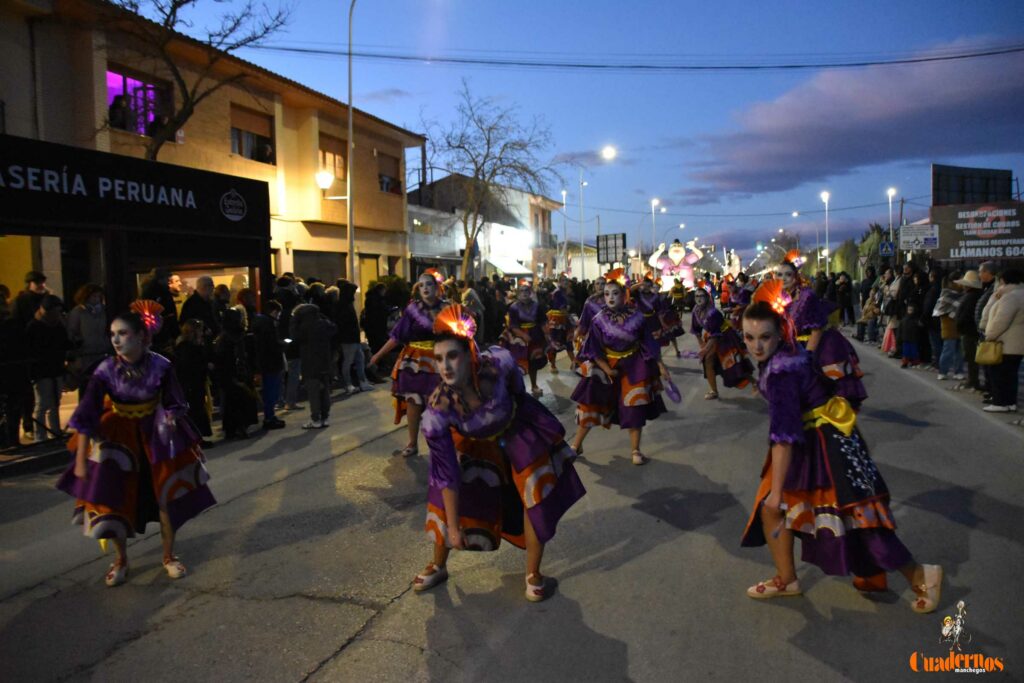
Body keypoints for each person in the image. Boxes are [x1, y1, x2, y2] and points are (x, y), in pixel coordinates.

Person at [738, 282, 942, 612]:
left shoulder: (780, 372)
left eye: (764, 337)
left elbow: (784, 436)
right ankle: (788, 578)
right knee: (805, 512)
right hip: (826, 439)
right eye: (749, 337)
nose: (756, 346)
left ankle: (921, 575)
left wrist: (776, 491)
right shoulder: (786, 355)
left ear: (780, 333)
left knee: (854, 519)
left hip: (823, 447)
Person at [412, 305, 586, 602]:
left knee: (535, 494)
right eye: (438, 359)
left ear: (470, 354)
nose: (445, 366)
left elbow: (519, 393)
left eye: (452, 356)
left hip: (516, 429)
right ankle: (439, 564)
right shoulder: (437, 410)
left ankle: (532, 573)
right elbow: (446, 474)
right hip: (472, 442)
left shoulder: (500, 362)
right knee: (442, 500)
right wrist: (453, 528)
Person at [56, 303, 214, 587]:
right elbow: (86, 414)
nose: (116, 340)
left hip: (155, 433)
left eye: (123, 333)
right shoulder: (105, 370)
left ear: (141, 336)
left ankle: (168, 556)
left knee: (166, 496)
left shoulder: (162, 365)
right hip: (117, 435)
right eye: (112, 334)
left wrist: (170, 417)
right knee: (113, 499)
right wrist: (80, 461)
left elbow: (176, 401)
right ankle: (120, 560)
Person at [570, 271, 668, 466]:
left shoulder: (637, 316)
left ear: (624, 295)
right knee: (590, 405)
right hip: (605, 365)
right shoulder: (598, 319)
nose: (610, 297)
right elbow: (593, 348)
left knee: (635, 403)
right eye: (607, 294)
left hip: (634, 364)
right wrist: (606, 369)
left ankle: (635, 450)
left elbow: (648, 342)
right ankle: (576, 445)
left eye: (615, 293)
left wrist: (660, 364)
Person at [369, 272, 447, 456]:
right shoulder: (412, 310)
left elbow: (462, 334)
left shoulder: (447, 308)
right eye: (421, 285)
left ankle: (440, 444)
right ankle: (412, 443)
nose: (425, 288)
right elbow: (397, 336)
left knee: (438, 404)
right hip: (414, 363)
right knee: (414, 402)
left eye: (429, 284)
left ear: (437, 287)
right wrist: (377, 356)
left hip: (440, 361)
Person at [776, 253, 867, 409]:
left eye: (788, 274)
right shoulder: (782, 297)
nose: (783, 278)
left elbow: (816, 330)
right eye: (779, 275)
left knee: (828, 393)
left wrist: (807, 357)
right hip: (795, 346)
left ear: (796, 277)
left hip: (819, 348)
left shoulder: (807, 296)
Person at [691, 283, 753, 399]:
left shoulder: (713, 312)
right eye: (696, 296)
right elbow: (696, 330)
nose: (699, 298)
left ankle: (754, 382)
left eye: (701, 296)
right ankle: (714, 391)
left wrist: (705, 349)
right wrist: (702, 345)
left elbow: (716, 335)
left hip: (725, 336)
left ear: (707, 297)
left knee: (733, 364)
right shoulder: (695, 310)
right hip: (712, 337)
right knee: (708, 361)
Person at [26, 295, 71, 441]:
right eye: (56, 311)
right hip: (41, 370)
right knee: (43, 403)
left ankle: (55, 431)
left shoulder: (57, 324)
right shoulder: (35, 326)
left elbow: (63, 342)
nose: (58, 314)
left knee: (55, 402)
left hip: (56, 367)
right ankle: (40, 435)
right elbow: (31, 349)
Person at [982, 269, 1024, 413]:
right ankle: (1010, 402)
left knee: (998, 373)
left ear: (1003, 281)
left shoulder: (1010, 297)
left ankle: (1000, 402)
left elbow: (1001, 320)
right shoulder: (1020, 294)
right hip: (1017, 344)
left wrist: (989, 335)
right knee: (1011, 375)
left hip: (1005, 343)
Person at [290, 303, 338, 429]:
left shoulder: (303, 327)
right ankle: (325, 417)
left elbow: (294, 337)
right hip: (325, 361)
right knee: (325, 390)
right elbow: (334, 328)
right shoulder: (324, 324)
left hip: (310, 362)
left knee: (313, 392)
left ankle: (315, 418)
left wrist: (294, 321)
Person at [212, 308, 258, 439]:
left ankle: (233, 428)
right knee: (238, 402)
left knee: (233, 403)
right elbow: (235, 357)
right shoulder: (233, 337)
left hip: (231, 374)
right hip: (235, 374)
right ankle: (238, 427)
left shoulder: (224, 337)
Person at [500, 280, 547, 396]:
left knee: (533, 363)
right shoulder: (513, 307)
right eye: (522, 291)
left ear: (531, 293)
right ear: (517, 293)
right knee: (518, 363)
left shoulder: (537, 306)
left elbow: (542, 321)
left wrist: (547, 334)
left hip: (534, 335)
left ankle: (534, 385)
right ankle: (517, 388)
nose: (524, 293)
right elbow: (513, 326)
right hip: (518, 339)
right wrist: (523, 335)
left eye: (527, 291)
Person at [174, 319, 214, 445]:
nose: (201, 333)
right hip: (191, 384)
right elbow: (189, 366)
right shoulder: (186, 347)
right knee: (195, 411)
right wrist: (205, 366)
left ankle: (197, 437)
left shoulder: (190, 346)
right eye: (199, 330)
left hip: (194, 383)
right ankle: (195, 439)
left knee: (197, 409)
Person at [67, 284, 111, 398]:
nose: (96, 299)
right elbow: (72, 332)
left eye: (98, 296)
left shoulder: (104, 311)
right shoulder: (78, 312)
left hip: (101, 352)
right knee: (86, 386)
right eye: (93, 296)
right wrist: (76, 351)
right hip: (85, 354)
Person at [250, 301, 287, 429]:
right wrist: (283, 345)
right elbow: (272, 344)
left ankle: (269, 416)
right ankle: (269, 417)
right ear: (274, 311)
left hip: (264, 362)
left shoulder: (259, 322)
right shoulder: (269, 324)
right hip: (272, 362)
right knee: (272, 390)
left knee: (269, 390)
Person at [335, 280, 372, 395]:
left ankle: (362, 382)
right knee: (349, 361)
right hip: (348, 338)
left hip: (352, 337)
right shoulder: (343, 305)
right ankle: (349, 384)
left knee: (359, 359)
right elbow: (344, 323)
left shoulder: (346, 304)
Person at [953, 271, 983, 390]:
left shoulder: (971, 297)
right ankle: (972, 380)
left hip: (969, 331)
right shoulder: (974, 295)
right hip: (969, 330)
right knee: (971, 357)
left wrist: (959, 325)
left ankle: (973, 381)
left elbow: (965, 315)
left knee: (971, 357)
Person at [933, 272, 964, 381]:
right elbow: (940, 311)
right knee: (948, 350)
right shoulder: (946, 294)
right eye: (961, 280)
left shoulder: (963, 294)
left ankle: (958, 371)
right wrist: (952, 315)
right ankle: (942, 371)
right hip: (949, 326)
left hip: (960, 325)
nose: (963, 282)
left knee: (959, 351)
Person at [544, 275, 576, 373]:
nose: (565, 282)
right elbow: (562, 308)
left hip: (564, 321)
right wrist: (571, 318)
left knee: (569, 342)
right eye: (563, 281)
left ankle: (574, 363)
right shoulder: (557, 292)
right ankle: (553, 365)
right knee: (554, 344)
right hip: (557, 322)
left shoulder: (565, 292)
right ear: (559, 282)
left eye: (566, 280)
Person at [179, 275, 220, 341]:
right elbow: (185, 323)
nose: (213, 288)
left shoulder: (209, 302)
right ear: (203, 287)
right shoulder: (191, 304)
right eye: (211, 285)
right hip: (199, 340)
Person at [899, 301, 924, 368]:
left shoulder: (916, 320)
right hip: (906, 338)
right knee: (906, 351)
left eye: (911, 310)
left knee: (914, 351)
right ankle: (905, 362)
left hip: (913, 339)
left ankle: (914, 362)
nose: (910, 311)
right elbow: (900, 329)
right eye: (909, 310)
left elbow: (919, 329)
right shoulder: (904, 319)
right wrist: (899, 337)